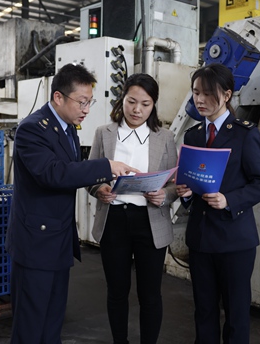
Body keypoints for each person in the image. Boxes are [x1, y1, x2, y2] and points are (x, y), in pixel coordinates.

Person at [6, 63, 139, 344]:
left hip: (58, 239)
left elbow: (71, 170)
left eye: (89, 102)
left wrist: (98, 184)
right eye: (82, 102)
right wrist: (106, 166)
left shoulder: (67, 129)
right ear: (58, 97)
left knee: (53, 320)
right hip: (36, 243)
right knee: (30, 324)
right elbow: (53, 173)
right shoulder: (32, 130)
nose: (86, 109)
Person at [176, 63, 260, 344]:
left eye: (207, 94)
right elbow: (192, 186)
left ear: (227, 94)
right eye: (195, 93)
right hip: (201, 239)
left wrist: (229, 199)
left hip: (235, 242)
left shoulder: (245, 133)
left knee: (236, 313)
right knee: (203, 311)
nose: (200, 100)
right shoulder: (192, 136)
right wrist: (184, 193)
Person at [87, 73, 178, 344]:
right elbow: (90, 176)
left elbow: (173, 183)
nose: (137, 109)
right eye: (131, 101)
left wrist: (164, 195)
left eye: (145, 104)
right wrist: (99, 189)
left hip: (151, 221)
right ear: (122, 100)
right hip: (114, 219)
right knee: (117, 291)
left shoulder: (165, 137)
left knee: (150, 294)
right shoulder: (104, 133)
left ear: (153, 105)